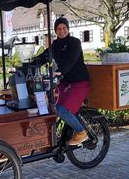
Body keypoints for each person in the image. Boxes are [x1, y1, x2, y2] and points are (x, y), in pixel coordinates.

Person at [29, 16, 90, 146]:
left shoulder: (75, 42)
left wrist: (60, 71)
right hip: (65, 83)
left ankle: (81, 132)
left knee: (61, 110)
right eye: (58, 28)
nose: (61, 31)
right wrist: (28, 66)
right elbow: (43, 57)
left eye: (64, 28)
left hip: (79, 83)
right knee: (50, 106)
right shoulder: (55, 45)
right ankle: (53, 136)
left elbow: (70, 61)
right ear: (55, 31)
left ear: (68, 29)